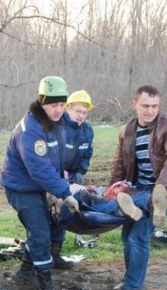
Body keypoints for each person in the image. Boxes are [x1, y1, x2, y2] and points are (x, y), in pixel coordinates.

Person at [0, 76, 79, 290]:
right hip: (21, 188)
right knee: (41, 233)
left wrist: (58, 187)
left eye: (62, 104)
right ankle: (46, 284)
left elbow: (57, 156)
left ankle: (24, 275)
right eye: (53, 105)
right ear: (41, 102)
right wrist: (64, 192)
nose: (58, 109)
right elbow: (39, 170)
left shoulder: (58, 122)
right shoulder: (30, 130)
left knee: (47, 227)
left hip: (39, 186)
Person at [107, 85, 167, 290]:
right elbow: (119, 164)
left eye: (155, 106)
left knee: (137, 238)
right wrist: (114, 187)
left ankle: (132, 287)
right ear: (135, 104)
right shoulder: (127, 131)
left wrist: (159, 189)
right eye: (145, 106)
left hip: (162, 191)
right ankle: (130, 281)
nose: (150, 111)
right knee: (126, 238)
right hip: (136, 189)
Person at [49, 90, 95, 269]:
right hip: (56, 177)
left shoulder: (87, 130)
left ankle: (56, 254)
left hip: (74, 177)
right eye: (77, 111)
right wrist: (61, 173)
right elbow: (52, 153)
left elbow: (87, 153)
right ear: (68, 109)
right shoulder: (59, 127)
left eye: (84, 112)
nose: (81, 116)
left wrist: (79, 172)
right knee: (51, 213)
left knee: (65, 214)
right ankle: (43, 255)